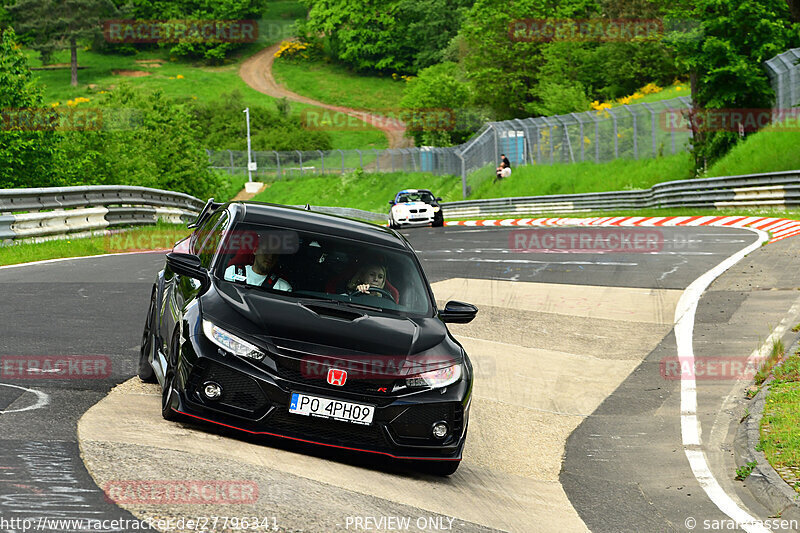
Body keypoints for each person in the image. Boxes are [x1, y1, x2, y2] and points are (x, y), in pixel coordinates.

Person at [224, 236, 292, 291]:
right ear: (255, 250)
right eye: (266, 251)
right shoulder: (233, 272)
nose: (270, 257)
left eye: (275, 254)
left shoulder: (282, 288)